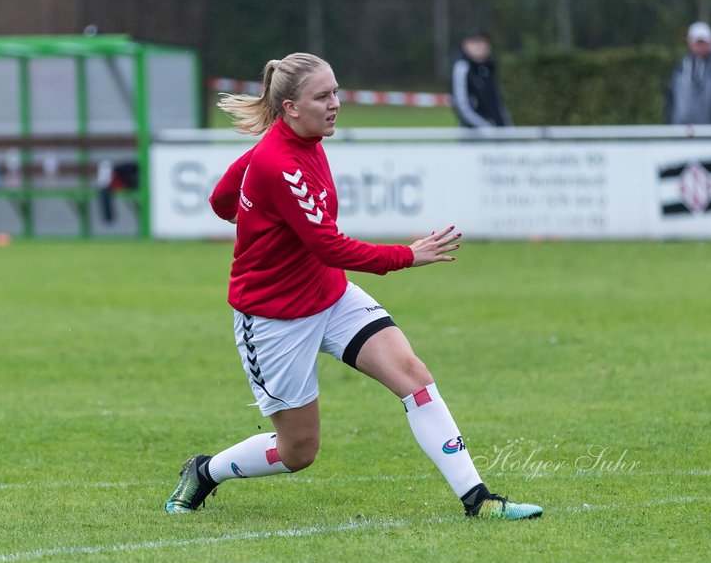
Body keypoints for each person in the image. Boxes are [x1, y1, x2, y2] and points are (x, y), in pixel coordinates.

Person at [165, 52, 542, 521]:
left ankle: (478, 500)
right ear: (291, 109)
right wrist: (408, 255)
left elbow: (223, 202)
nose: (335, 103)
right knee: (298, 451)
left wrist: (259, 217)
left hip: (330, 296)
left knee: (415, 378)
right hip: (274, 320)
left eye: (336, 91)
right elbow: (329, 247)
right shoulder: (278, 161)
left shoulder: (297, 143)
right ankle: (205, 472)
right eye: (322, 96)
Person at [664, 22, 711, 125]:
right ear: (690, 43)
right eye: (697, 42)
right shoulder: (680, 67)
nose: (700, 46)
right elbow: (670, 97)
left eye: (703, 42)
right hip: (682, 129)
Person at [451, 30, 513, 128]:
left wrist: (505, 126)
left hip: (498, 131)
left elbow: (497, 101)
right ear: (465, 45)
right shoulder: (462, 67)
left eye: (484, 42)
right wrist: (486, 128)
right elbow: (462, 105)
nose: (480, 46)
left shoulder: (490, 68)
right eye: (476, 42)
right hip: (474, 134)